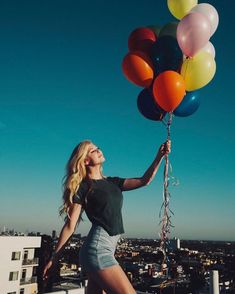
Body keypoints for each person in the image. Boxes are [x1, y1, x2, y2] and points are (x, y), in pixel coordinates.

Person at [43, 139, 171, 294]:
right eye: (92, 150)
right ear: (85, 160)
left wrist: (159, 156)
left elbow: (144, 181)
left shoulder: (113, 182)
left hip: (108, 249)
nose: (98, 150)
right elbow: (70, 225)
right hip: (98, 249)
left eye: (97, 147)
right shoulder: (83, 186)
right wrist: (55, 258)